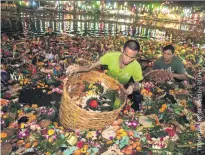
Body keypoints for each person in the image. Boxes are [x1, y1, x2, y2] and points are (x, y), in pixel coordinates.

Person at [67, 40, 143, 111]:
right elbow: (90, 67)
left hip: (121, 89)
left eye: (131, 57)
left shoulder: (136, 67)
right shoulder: (110, 56)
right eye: (126, 55)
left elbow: (137, 87)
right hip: (104, 84)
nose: (127, 60)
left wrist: (132, 86)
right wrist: (78, 68)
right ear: (122, 50)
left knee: (120, 106)